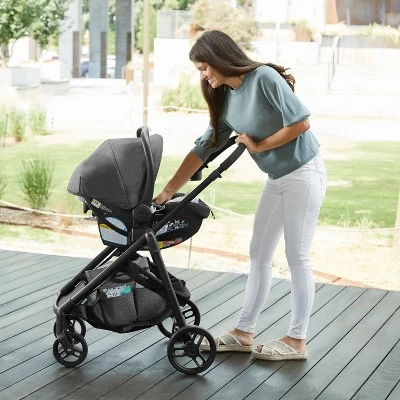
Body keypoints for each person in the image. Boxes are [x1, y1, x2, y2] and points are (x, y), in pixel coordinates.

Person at [154, 30, 327, 361]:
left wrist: (259, 146)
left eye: (204, 68)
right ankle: (244, 332)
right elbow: (203, 148)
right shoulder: (225, 99)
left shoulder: (263, 78)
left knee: (297, 256)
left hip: (304, 173)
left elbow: (300, 123)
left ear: (218, 58)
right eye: (199, 70)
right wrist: (167, 191)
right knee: (258, 253)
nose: (203, 76)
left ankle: (297, 340)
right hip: (277, 178)